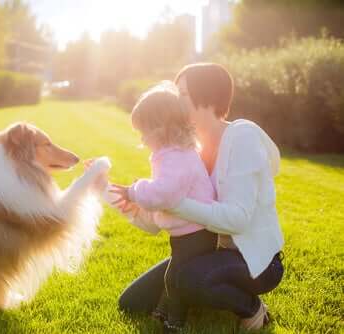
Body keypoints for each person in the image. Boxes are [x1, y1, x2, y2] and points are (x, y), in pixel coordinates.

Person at [116, 63, 285, 332]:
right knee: (132, 302)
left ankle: (251, 308)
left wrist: (170, 201)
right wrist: (134, 205)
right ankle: (202, 290)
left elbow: (237, 220)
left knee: (186, 279)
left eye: (181, 93)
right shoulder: (184, 147)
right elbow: (163, 219)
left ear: (207, 98)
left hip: (255, 262)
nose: (174, 101)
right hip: (205, 253)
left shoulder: (242, 137)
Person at [109, 81, 218, 332]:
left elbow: (164, 193)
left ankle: (175, 322)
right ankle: (164, 311)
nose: (142, 139)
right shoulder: (173, 153)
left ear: (162, 128)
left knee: (176, 278)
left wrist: (134, 191)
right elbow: (162, 192)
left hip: (196, 234)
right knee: (173, 274)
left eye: (144, 131)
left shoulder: (177, 156)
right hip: (187, 233)